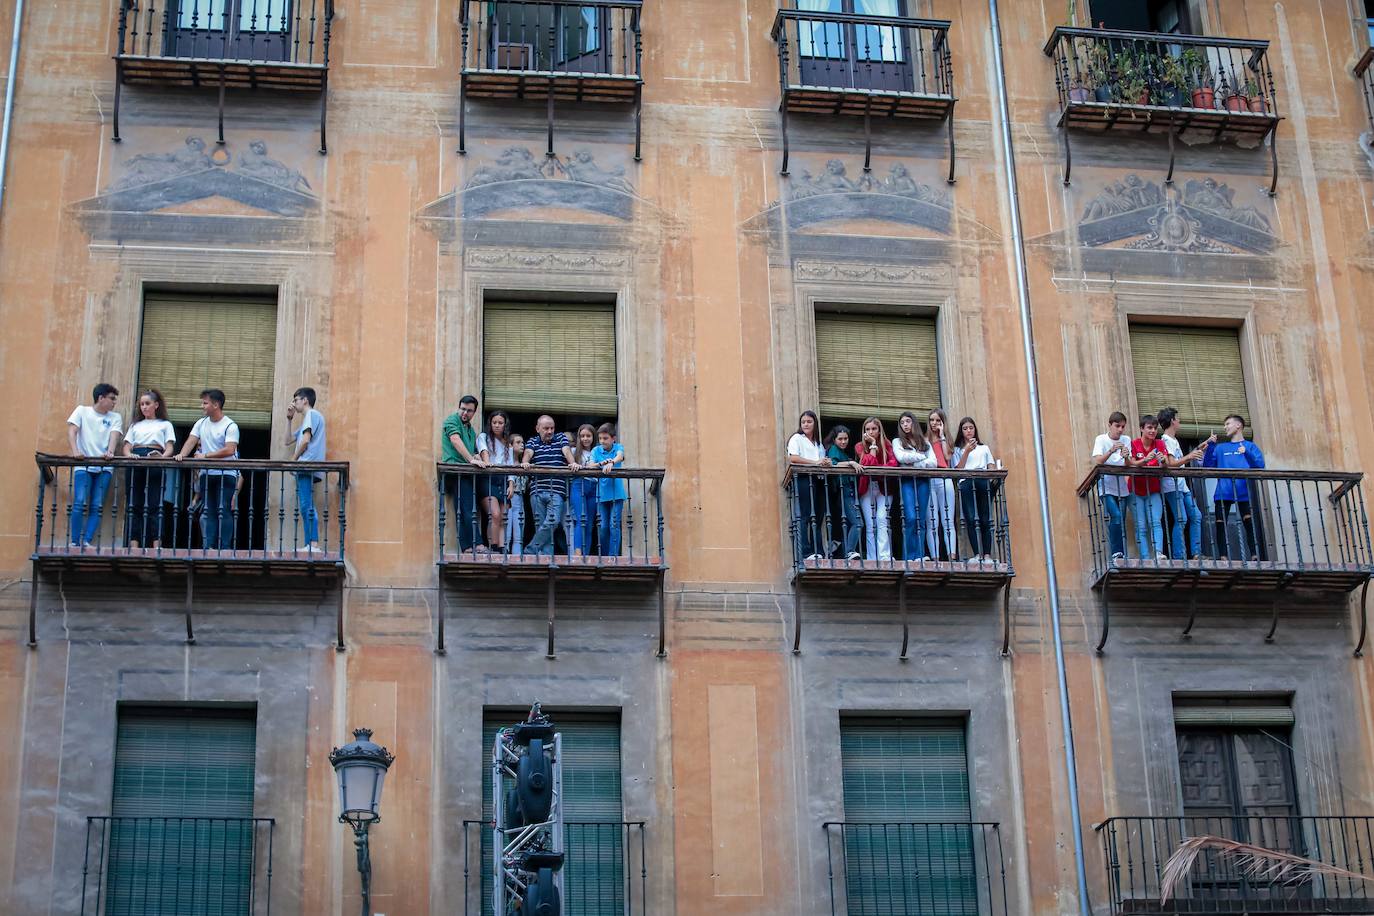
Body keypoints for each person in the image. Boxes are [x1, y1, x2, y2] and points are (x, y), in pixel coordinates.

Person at [175, 389, 240, 550]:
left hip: (226, 474)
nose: (202, 406)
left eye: (205, 403)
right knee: (208, 509)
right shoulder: (201, 423)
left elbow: (230, 450)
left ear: (216, 405)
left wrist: (206, 456)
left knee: (223, 509)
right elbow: (191, 441)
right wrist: (181, 455)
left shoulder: (230, 425)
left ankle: (224, 548)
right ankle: (208, 547)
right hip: (207, 474)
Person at [1202, 413, 1266, 561]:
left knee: (1248, 522)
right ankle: (1223, 556)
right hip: (1223, 492)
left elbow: (1259, 465)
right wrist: (1211, 446)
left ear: (1238, 425)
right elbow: (1207, 466)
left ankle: (1254, 555)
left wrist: (1247, 452)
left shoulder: (1250, 446)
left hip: (1243, 490)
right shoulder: (1221, 448)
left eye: (1228, 424)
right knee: (1220, 523)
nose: (1225, 427)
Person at [67, 383, 123, 548]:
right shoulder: (82, 411)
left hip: (104, 467)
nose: (114, 402)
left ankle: (86, 540)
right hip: (83, 465)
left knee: (97, 505)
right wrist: (75, 451)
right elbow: (72, 431)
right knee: (79, 502)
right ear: (101, 398)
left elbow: (114, 436)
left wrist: (110, 452)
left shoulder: (115, 417)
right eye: (112, 399)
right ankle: (75, 542)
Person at [121, 389, 175, 549]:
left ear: (156, 405)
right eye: (142, 404)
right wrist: (129, 455)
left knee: (155, 503)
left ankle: (157, 545)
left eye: (147, 404)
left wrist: (162, 458)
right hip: (136, 458)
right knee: (134, 503)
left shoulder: (165, 424)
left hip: (155, 457)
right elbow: (126, 447)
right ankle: (134, 545)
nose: (144, 407)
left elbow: (170, 447)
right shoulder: (135, 425)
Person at [1156, 406, 1207, 561]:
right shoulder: (1165, 440)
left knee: (1196, 516)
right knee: (1181, 519)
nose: (1179, 421)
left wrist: (1198, 448)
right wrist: (1191, 456)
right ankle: (1179, 555)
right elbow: (1171, 463)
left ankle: (1196, 553)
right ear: (1172, 421)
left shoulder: (1173, 440)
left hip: (1181, 486)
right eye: (1177, 419)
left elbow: (1179, 460)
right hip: (1172, 486)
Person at [522, 415, 575, 557]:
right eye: (546, 428)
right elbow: (528, 453)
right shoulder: (533, 441)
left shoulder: (560, 438)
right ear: (537, 428)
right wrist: (525, 462)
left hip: (556, 490)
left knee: (553, 521)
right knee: (542, 526)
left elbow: (566, 451)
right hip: (537, 490)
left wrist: (572, 463)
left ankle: (531, 549)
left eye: (552, 428)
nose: (550, 431)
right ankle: (547, 558)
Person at [441, 395, 487, 553]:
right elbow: (455, 440)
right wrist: (471, 460)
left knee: (464, 508)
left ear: (474, 412)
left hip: (465, 471)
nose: (465, 413)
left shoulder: (470, 430)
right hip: (457, 470)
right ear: (459, 407)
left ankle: (467, 547)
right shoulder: (452, 421)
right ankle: (478, 544)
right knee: (467, 508)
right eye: (462, 409)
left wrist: (476, 456)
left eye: (469, 410)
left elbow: (470, 449)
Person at [285, 387, 327, 553]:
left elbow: (305, 441)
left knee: (306, 504)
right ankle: (311, 543)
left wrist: (293, 460)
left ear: (305, 400)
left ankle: (313, 544)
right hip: (307, 466)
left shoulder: (312, 415)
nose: (294, 403)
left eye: (296, 400)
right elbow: (287, 440)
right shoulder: (307, 420)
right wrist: (289, 419)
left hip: (306, 465)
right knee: (305, 504)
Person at [786, 410, 830, 562]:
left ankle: (818, 550)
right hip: (804, 478)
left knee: (817, 517)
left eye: (809, 422)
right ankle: (806, 552)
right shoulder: (797, 438)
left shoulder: (818, 444)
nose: (806, 424)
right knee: (805, 515)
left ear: (815, 424)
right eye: (803, 422)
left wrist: (825, 462)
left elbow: (821, 459)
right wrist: (815, 462)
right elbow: (793, 458)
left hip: (818, 480)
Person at [953, 416, 997, 562]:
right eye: (965, 429)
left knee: (985, 518)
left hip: (982, 481)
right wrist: (966, 451)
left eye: (971, 428)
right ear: (961, 431)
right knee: (971, 518)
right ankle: (977, 554)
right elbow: (958, 469)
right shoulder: (958, 449)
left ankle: (987, 554)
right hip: (966, 482)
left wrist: (993, 477)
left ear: (975, 430)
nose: (968, 431)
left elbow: (991, 466)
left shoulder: (984, 448)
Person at [1090, 411, 1132, 562]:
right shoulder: (1101, 439)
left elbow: (1128, 464)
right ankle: (1117, 552)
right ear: (1110, 425)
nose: (1120, 429)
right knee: (1116, 516)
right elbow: (1098, 461)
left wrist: (1126, 456)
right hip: (1106, 488)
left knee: (1119, 520)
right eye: (1117, 426)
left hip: (1122, 488)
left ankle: (1121, 553)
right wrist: (1111, 450)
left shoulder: (1126, 439)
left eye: (1122, 426)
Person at [893, 411, 935, 561]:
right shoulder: (897, 442)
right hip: (907, 481)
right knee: (910, 517)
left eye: (908, 421)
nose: (905, 425)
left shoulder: (925, 442)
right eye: (902, 422)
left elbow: (933, 463)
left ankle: (920, 555)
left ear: (914, 423)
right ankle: (909, 556)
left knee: (921, 518)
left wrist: (913, 461)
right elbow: (901, 457)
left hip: (923, 480)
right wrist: (922, 457)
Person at [1126, 414, 1169, 561]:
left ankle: (1158, 553)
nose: (1153, 431)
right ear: (1141, 428)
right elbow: (1131, 463)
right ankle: (1145, 557)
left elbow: (1165, 465)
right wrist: (1146, 459)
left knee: (1156, 522)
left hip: (1154, 490)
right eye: (1149, 428)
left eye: (1155, 428)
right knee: (1141, 526)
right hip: (1135, 491)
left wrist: (1162, 461)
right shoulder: (1134, 443)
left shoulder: (1160, 444)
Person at [856, 417, 898, 561]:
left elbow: (893, 464)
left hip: (884, 488)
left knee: (882, 519)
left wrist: (878, 469)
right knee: (870, 524)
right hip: (866, 487)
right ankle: (872, 558)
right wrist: (873, 445)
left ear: (879, 430)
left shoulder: (888, 445)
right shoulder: (859, 446)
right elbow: (869, 464)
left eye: (873, 429)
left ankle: (884, 556)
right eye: (867, 429)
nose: (870, 432)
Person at [823, 425, 863, 561]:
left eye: (846, 438)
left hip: (848, 490)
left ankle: (846, 552)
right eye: (840, 439)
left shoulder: (843, 453)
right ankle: (849, 551)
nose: (843, 441)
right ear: (834, 439)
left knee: (853, 522)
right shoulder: (834, 450)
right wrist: (851, 463)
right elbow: (832, 464)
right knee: (858, 523)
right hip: (843, 490)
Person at [477, 410, 515, 552]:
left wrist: (511, 484)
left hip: (503, 479)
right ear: (490, 424)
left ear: (505, 425)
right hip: (488, 477)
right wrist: (487, 464)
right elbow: (483, 450)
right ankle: (492, 547)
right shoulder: (484, 437)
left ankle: (501, 548)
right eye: (494, 423)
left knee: (503, 518)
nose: (497, 425)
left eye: (500, 423)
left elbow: (511, 465)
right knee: (495, 514)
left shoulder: (507, 444)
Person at [590, 423, 627, 557]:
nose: (602, 441)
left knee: (614, 525)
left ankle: (613, 556)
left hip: (617, 494)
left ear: (613, 438)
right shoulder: (596, 450)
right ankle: (605, 555)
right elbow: (590, 465)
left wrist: (612, 462)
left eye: (605, 438)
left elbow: (620, 456)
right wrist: (603, 463)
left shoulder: (618, 447)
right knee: (603, 527)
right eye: (600, 438)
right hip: (601, 494)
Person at [925, 409, 958, 560]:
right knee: (932, 521)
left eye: (938, 420)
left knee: (947, 520)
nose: (934, 423)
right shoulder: (923, 439)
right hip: (929, 478)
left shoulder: (947, 439)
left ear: (942, 422)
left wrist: (942, 436)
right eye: (932, 420)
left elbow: (947, 457)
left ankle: (951, 556)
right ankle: (935, 558)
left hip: (944, 477)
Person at [569, 424, 600, 557]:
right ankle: (577, 554)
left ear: (593, 437)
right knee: (582, 519)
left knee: (590, 524)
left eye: (588, 436)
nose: (585, 439)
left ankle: (585, 555)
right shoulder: (574, 451)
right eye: (582, 436)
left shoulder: (598, 452)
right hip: (579, 484)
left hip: (594, 487)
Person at [506, 433, 528, 556]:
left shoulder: (524, 463)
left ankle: (517, 557)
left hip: (520, 499)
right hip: (508, 499)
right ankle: (505, 557)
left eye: (523, 442)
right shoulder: (504, 461)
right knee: (507, 532)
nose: (522, 445)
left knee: (519, 534)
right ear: (510, 445)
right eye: (518, 442)